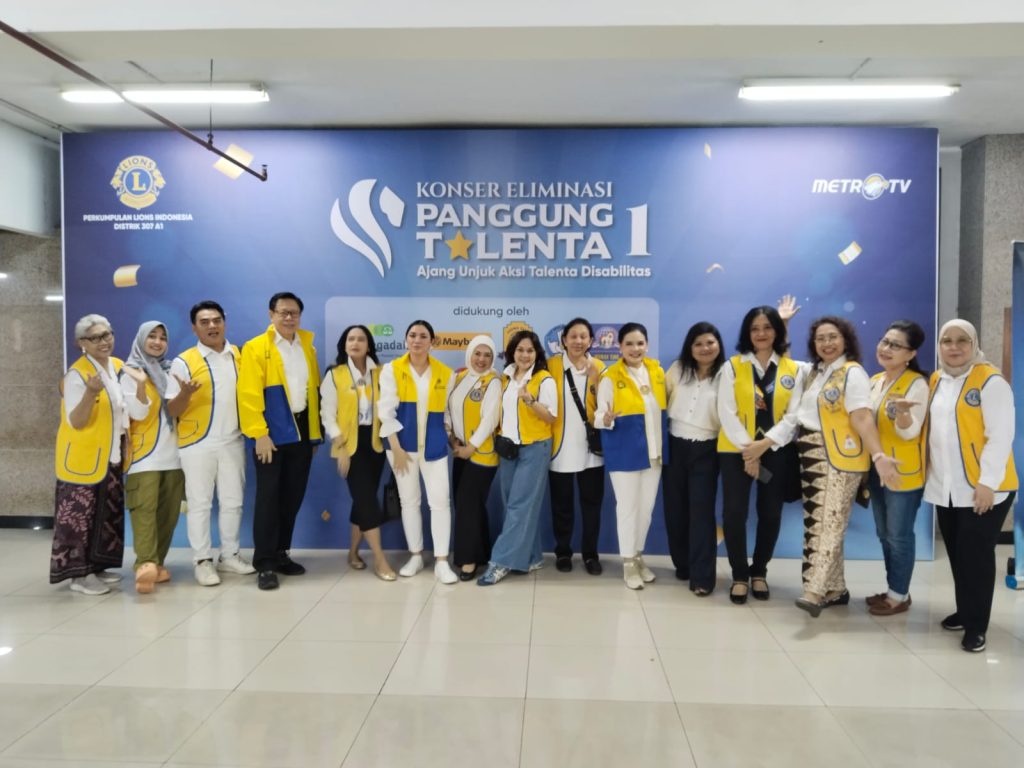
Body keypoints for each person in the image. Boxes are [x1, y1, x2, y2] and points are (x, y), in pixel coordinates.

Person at [763, 316, 899, 617]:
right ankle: (835, 589)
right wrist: (783, 324)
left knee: (829, 525)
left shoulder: (853, 373)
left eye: (833, 337)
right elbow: (783, 363)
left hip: (840, 457)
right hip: (809, 453)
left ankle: (814, 591)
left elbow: (862, 418)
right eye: (820, 338)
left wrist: (878, 456)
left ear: (846, 340)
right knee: (818, 521)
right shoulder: (814, 372)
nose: (827, 343)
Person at [926, 320, 1016, 652]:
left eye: (962, 340)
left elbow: (1000, 437)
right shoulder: (937, 380)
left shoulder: (991, 381)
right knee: (957, 554)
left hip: (985, 488)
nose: (954, 347)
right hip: (947, 487)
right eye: (946, 340)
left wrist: (987, 483)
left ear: (974, 344)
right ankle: (965, 611)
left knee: (976, 558)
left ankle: (977, 626)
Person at [238, 292, 322, 591]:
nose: (289, 318)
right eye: (283, 312)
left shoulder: (307, 346)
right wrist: (259, 433)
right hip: (271, 435)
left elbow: (312, 391)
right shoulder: (256, 348)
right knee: (268, 500)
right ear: (271, 314)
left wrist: (314, 434)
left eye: (294, 313)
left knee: (292, 497)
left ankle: (281, 553)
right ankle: (264, 564)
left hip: (301, 433)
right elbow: (248, 394)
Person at [168, 300, 255, 587]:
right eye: (204, 322)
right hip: (197, 443)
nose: (212, 326)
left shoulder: (239, 355)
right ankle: (202, 560)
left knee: (233, 502)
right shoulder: (183, 362)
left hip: (233, 440)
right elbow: (172, 410)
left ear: (224, 323)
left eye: (217, 320)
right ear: (194, 328)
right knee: (200, 504)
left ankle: (229, 555)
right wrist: (185, 394)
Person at [719, 305, 801, 604]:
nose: (761, 333)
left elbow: (793, 416)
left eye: (767, 327)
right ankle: (739, 574)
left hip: (775, 451)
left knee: (770, 512)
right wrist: (750, 452)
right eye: (755, 328)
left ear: (777, 331)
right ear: (747, 333)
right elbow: (725, 411)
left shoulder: (795, 369)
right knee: (734, 512)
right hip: (736, 451)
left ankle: (759, 571)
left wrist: (763, 445)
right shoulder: (732, 366)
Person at [50, 314, 128, 595]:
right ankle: (79, 575)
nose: (103, 342)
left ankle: (97, 565)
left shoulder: (116, 366)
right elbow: (77, 421)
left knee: (105, 514)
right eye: (94, 338)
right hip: (83, 459)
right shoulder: (77, 375)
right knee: (79, 518)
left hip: (110, 453)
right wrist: (90, 393)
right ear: (81, 343)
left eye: (107, 335)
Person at [378, 320, 457, 584]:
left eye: (423, 336)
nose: (417, 340)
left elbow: (447, 414)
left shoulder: (446, 373)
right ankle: (415, 555)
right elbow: (385, 412)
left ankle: (442, 561)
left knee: (440, 502)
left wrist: (450, 439)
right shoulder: (392, 369)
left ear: (432, 342)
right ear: (406, 339)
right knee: (409, 502)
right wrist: (396, 448)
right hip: (401, 447)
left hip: (434, 447)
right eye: (412, 335)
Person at [478, 330, 557, 585]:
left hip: (534, 448)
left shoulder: (544, 379)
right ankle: (532, 556)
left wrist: (530, 401)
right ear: (512, 352)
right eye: (520, 350)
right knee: (514, 504)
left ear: (537, 354)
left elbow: (550, 417)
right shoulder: (505, 378)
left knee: (519, 506)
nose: (524, 355)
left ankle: (500, 562)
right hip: (508, 449)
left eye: (530, 350)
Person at [320, 324, 396, 581]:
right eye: (350, 339)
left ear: (368, 345)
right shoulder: (335, 374)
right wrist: (341, 447)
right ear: (344, 344)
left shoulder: (382, 373)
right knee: (367, 500)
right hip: (348, 445)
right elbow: (327, 414)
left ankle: (352, 553)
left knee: (364, 499)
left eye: (360, 339)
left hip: (374, 445)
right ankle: (380, 559)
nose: (355, 343)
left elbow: (388, 408)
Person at [595, 322, 667, 590]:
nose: (635, 349)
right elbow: (598, 415)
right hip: (624, 452)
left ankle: (638, 556)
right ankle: (627, 562)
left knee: (646, 510)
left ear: (646, 345)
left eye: (640, 343)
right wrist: (606, 419)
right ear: (620, 347)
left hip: (654, 452)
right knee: (627, 509)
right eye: (629, 344)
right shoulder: (610, 376)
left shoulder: (657, 371)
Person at [864, 320, 929, 616]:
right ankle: (896, 589)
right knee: (884, 533)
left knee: (899, 535)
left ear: (911, 354)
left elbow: (910, 432)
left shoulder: (917, 384)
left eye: (896, 345)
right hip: (877, 469)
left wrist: (903, 414)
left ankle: (898, 596)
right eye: (885, 341)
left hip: (903, 473)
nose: (886, 348)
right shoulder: (875, 380)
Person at [121, 321, 186, 595]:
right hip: (144, 456)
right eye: (152, 337)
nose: (158, 342)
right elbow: (136, 414)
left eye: (162, 338)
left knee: (168, 514)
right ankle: (144, 563)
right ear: (140, 339)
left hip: (174, 456)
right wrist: (140, 385)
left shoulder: (171, 371)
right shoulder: (130, 371)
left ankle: (157, 563)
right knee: (144, 511)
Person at [663, 322, 724, 596]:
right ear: (690, 347)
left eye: (710, 342)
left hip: (707, 449)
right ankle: (683, 564)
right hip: (674, 446)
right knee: (675, 511)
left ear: (719, 344)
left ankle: (702, 577)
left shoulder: (727, 374)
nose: (704, 348)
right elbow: (658, 401)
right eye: (698, 344)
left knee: (701, 513)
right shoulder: (677, 369)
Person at [547, 318, 605, 575]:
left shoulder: (600, 367)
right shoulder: (551, 366)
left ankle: (590, 554)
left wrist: (596, 380)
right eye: (573, 336)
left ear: (591, 341)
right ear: (564, 340)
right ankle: (563, 551)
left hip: (592, 451)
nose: (578, 341)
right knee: (562, 506)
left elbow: (606, 405)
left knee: (592, 505)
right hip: (559, 449)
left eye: (583, 337)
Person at [448, 335, 501, 580]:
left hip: (481, 454)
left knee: (468, 504)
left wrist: (471, 447)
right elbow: (448, 410)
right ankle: (481, 553)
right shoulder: (459, 377)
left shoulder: (493, 381)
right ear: (469, 354)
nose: (481, 359)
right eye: (477, 354)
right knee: (468, 505)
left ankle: (467, 560)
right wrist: (451, 438)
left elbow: (490, 419)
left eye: (487, 355)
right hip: (459, 451)